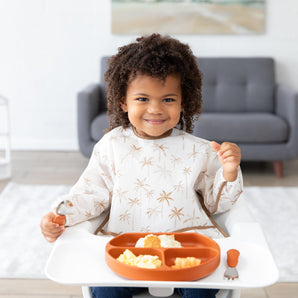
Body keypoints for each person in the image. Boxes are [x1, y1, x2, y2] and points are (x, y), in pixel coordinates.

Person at [40, 33, 243, 298]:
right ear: (123, 101)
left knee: (205, 286)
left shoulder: (200, 149)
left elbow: (219, 205)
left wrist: (229, 170)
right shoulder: (111, 145)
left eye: (168, 99)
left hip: (185, 245)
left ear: (183, 102)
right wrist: (60, 216)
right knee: (102, 287)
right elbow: (91, 193)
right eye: (143, 99)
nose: (156, 109)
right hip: (127, 245)